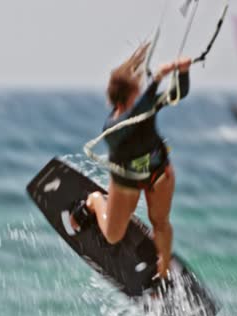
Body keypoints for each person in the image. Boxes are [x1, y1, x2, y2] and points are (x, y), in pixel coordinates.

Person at [71, 42, 192, 280]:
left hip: (158, 171)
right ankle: (96, 202)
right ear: (127, 95)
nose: (142, 89)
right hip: (126, 178)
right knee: (113, 236)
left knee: (160, 222)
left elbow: (178, 93)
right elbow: (134, 115)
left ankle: (164, 270)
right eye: (138, 88)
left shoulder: (145, 105)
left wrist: (183, 72)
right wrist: (157, 79)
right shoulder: (113, 126)